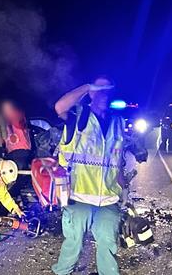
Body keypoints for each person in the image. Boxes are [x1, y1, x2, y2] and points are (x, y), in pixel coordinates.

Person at [51, 76, 126, 275]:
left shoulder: (118, 122)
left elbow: (116, 162)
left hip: (109, 198)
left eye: (107, 89)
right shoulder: (79, 117)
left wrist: (125, 192)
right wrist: (86, 86)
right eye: (98, 89)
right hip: (78, 196)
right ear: (90, 93)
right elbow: (59, 107)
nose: (103, 93)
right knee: (73, 245)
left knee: (108, 245)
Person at [1, 100, 32, 170]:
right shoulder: (5, 124)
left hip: (21, 153)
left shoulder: (17, 119)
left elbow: (17, 118)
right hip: (11, 155)